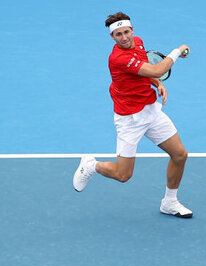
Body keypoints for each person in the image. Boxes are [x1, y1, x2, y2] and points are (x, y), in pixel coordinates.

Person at [72, 12, 193, 218]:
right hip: (129, 119)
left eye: (126, 32)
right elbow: (155, 70)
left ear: (132, 30)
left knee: (180, 154)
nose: (124, 37)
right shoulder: (118, 58)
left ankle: (170, 203)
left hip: (150, 110)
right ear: (112, 37)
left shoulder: (138, 42)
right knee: (123, 175)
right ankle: (91, 165)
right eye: (118, 34)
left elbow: (148, 72)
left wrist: (157, 83)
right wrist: (178, 50)